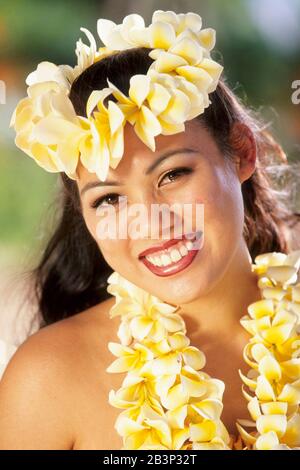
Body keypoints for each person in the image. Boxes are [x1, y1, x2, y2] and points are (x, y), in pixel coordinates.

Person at [0, 10, 299, 450]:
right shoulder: (46, 381)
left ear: (242, 153)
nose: (151, 222)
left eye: (173, 175)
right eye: (109, 199)